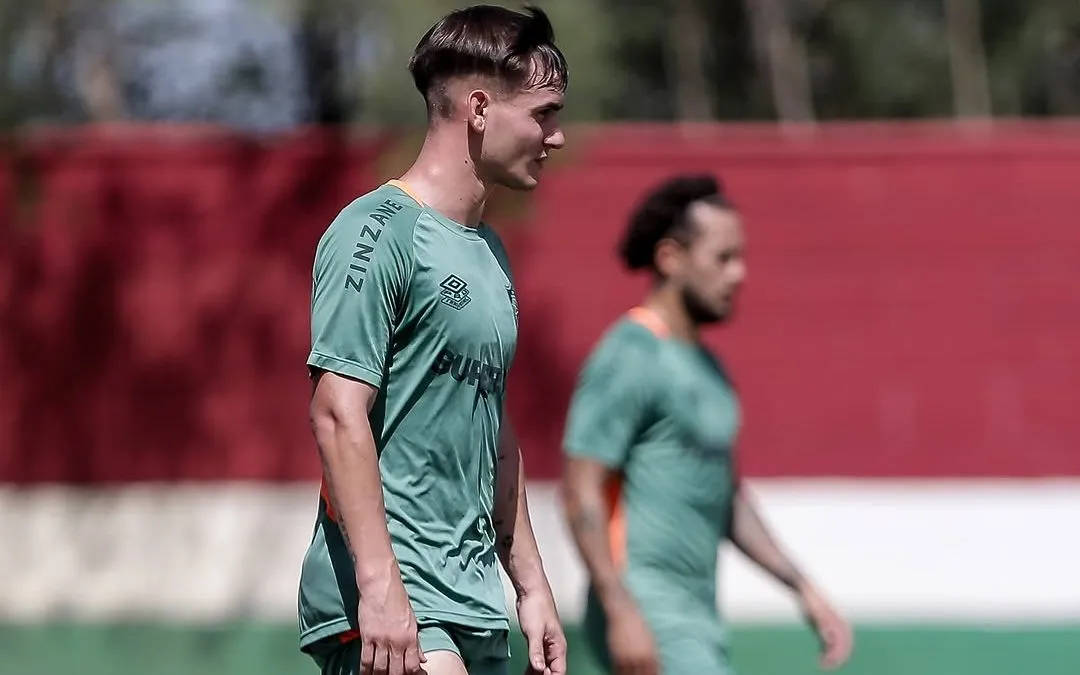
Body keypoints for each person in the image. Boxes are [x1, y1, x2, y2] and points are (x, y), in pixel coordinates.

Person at [298, 6, 568, 675]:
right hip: (398, 605)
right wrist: (380, 586)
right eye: (544, 113)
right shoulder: (377, 228)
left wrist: (530, 585)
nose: (556, 136)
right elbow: (337, 412)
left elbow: (494, 428)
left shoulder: (491, 254)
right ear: (479, 108)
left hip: (475, 598)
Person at [560, 174, 854, 675]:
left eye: (741, 258)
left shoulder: (710, 369)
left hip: (698, 624)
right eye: (723, 258)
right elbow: (579, 489)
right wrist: (620, 609)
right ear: (672, 257)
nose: (739, 274)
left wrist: (801, 587)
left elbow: (728, 498)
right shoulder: (629, 354)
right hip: (648, 615)